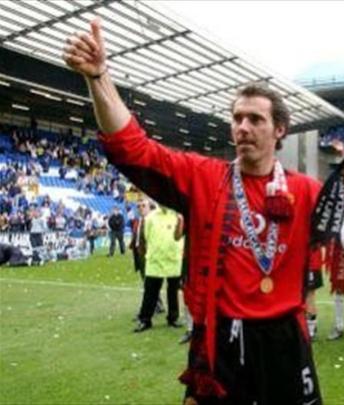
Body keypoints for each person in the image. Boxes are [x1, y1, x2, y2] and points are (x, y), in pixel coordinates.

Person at [63, 19, 322, 404]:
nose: (243, 127)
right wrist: (99, 77)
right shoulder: (205, 177)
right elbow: (132, 148)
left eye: (255, 119)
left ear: (280, 129)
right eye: (237, 118)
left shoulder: (308, 191)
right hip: (221, 340)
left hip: (284, 340)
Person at [133, 205, 184, 333]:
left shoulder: (177, 216)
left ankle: (173, 318)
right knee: (150, 292)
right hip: (155, 260)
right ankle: (145, 320)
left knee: (173, 292)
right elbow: (146, 237)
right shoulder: (150, 217)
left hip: (173, 259)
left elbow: (180, 236)